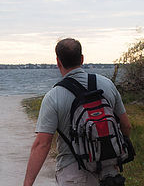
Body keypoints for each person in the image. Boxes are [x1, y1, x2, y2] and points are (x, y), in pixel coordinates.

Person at [23, 38, 131, 186]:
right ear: (82, 58)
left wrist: (28, 183)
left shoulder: (54, 96)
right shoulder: (107, 84)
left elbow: (42, 143)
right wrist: (117, 155)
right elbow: (126, 126)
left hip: (74, 175)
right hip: (109, 173)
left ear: (58, 61)